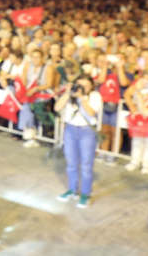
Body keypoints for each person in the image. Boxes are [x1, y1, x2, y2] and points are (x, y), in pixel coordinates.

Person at [55, 74, 101, 208]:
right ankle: (72, 190)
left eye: (86, 85)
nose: (83, 88)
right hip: (70, 129)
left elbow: (91, 112)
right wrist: (67, 93)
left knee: (86, 165)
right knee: (71, 163)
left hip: (87, 131)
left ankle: (86, 194)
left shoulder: (95, 96)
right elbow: (57, 107)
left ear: (91, 86)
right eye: (80, 85)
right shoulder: (71, 95)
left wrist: (82, 98)